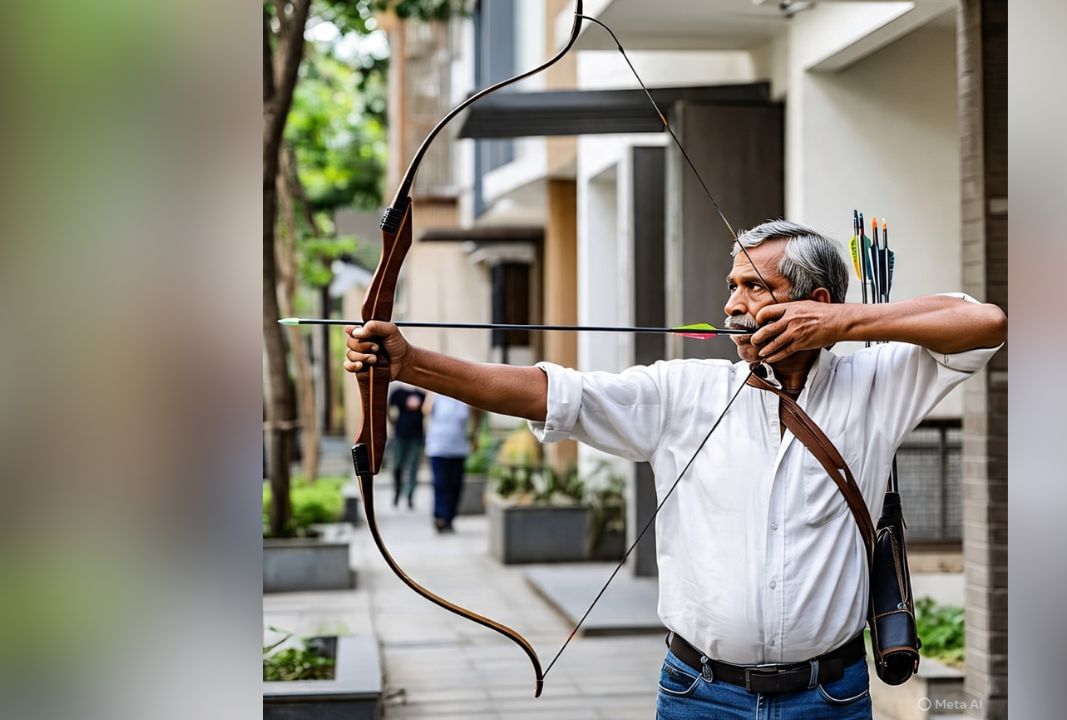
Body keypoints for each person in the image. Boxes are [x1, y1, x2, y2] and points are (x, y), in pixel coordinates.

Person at [344, 220, 1006, 719]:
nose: (731, 305)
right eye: (732, 287)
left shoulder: (878, 380)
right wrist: (411, 364)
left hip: (829, 695)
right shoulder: (682, 391)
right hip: (700, 694)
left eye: (754, 286)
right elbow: (549, 393)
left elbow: (985, 321)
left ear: (814, 301)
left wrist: (845, 324)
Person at [424, 393, 480, 533]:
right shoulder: (435, 394)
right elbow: (425, 409)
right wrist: (432, 392)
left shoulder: (464, 396)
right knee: (440, 483)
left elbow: (478, 413)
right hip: (437, 448)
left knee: (455, 485)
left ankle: (449, 518)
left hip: (458, 448)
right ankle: (440, 517)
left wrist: (474, 435)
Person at [387, 382, 426, 509]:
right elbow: (390, 410)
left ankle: (410, 496)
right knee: (397, 465)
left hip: (416, 435)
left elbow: (427, 409)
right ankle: (398, 491)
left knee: (413, 467)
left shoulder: (421, 394)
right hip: (400, 434)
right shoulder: (398, 393)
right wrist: (393, 423)